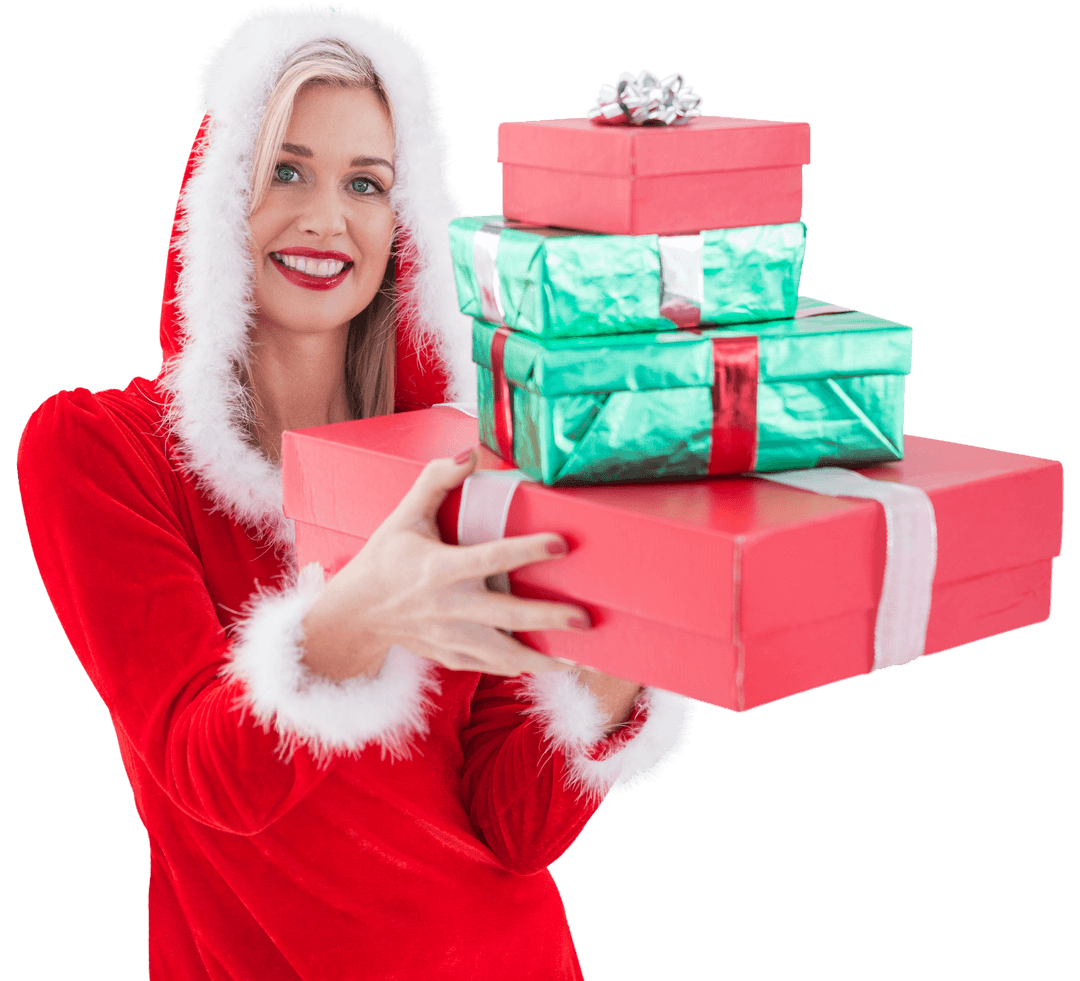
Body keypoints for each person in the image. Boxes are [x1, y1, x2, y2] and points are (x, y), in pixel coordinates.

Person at [17, 6, 695, 979]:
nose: (326, 217)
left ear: (400, 224)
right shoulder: (99, 452)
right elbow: (212, 774)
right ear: (217, 198)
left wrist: (632, 629)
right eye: (286, 169)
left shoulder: (466, 461)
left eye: (366, 183)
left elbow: (514, 828)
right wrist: (362, 611)